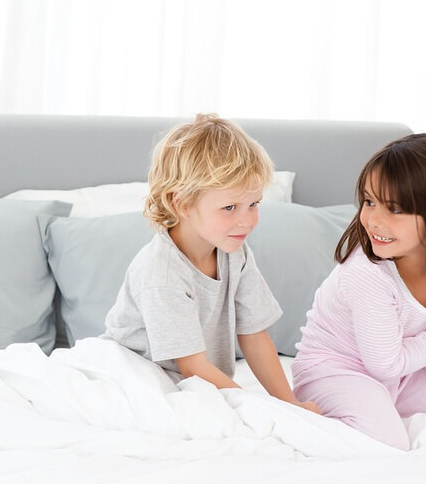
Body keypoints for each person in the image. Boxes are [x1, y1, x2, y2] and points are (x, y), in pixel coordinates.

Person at [291, 133, 426, 450]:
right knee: (387, 443)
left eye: (394, 208)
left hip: (400, 377)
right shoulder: (368, 275)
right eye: (369, 202)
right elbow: (386, 364)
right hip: (333, 373)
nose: (373, 220)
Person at [102, 113, 319, 413]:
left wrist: (288, 404)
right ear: (183, 204)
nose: (247, 220)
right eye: (229, 207)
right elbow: (192, 367)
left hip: (192, 379)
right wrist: (262, 409)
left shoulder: (234, 253)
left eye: (254, 204)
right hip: (138, 377)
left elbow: (254, 335)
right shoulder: (162, 272)